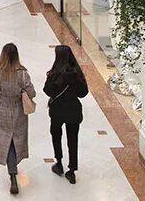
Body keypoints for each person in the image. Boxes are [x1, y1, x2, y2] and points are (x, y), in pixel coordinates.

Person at [0, 43, 38, 194]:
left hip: (3, 108)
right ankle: (13, 169)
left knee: (7, 139)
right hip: (18, 110)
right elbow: (32, 92)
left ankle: (12, 172)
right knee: (16, 139)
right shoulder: (22, 73)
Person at [44, 45, 89, 184]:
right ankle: (72, 169)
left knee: (56, 135)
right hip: (73, 111)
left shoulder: (55, 73)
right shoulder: (76, 73)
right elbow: (83, 93)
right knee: (73, 140)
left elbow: (47, 91)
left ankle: (59, 162)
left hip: (57, 111)